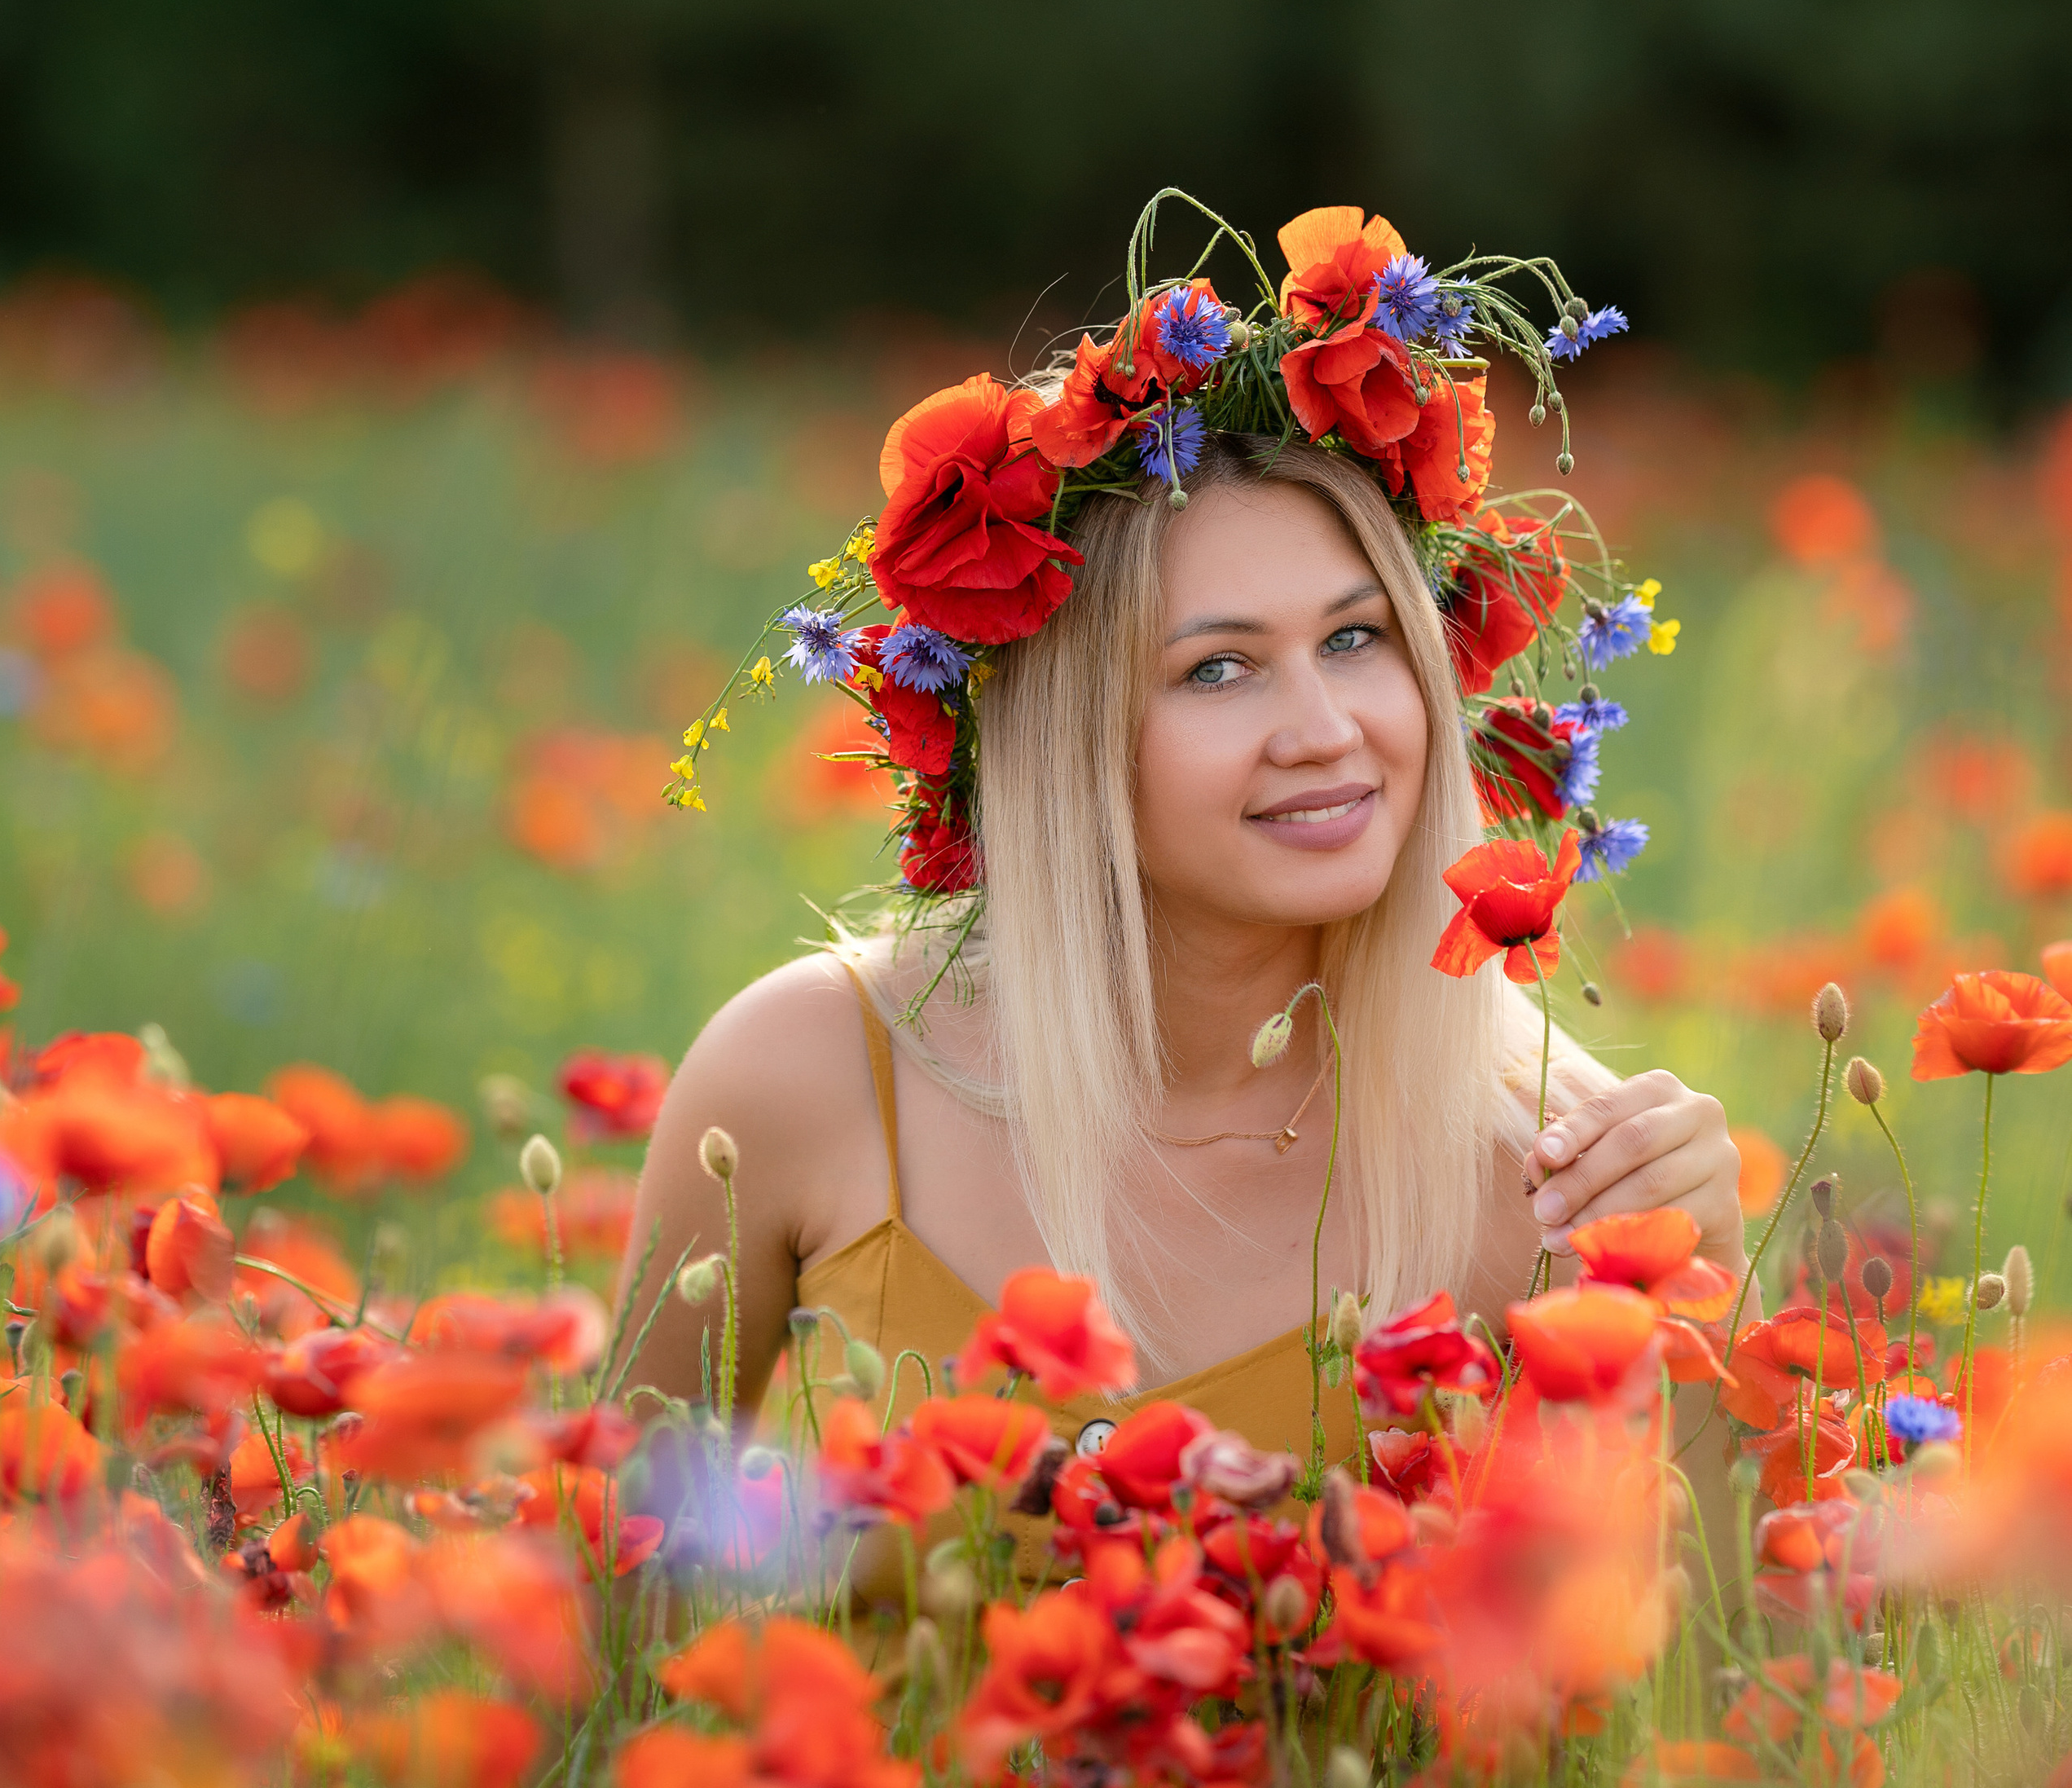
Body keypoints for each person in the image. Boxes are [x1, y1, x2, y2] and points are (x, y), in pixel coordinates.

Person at [620, 198, 1747, 1459]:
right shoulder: (809, 1081)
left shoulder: (1536, 1168)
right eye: (1218, 669)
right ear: (1068, 737)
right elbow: (613, 1593)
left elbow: (1701, 1649)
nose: (1325, 729)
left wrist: (1702, 1286)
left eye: (1357, 638)